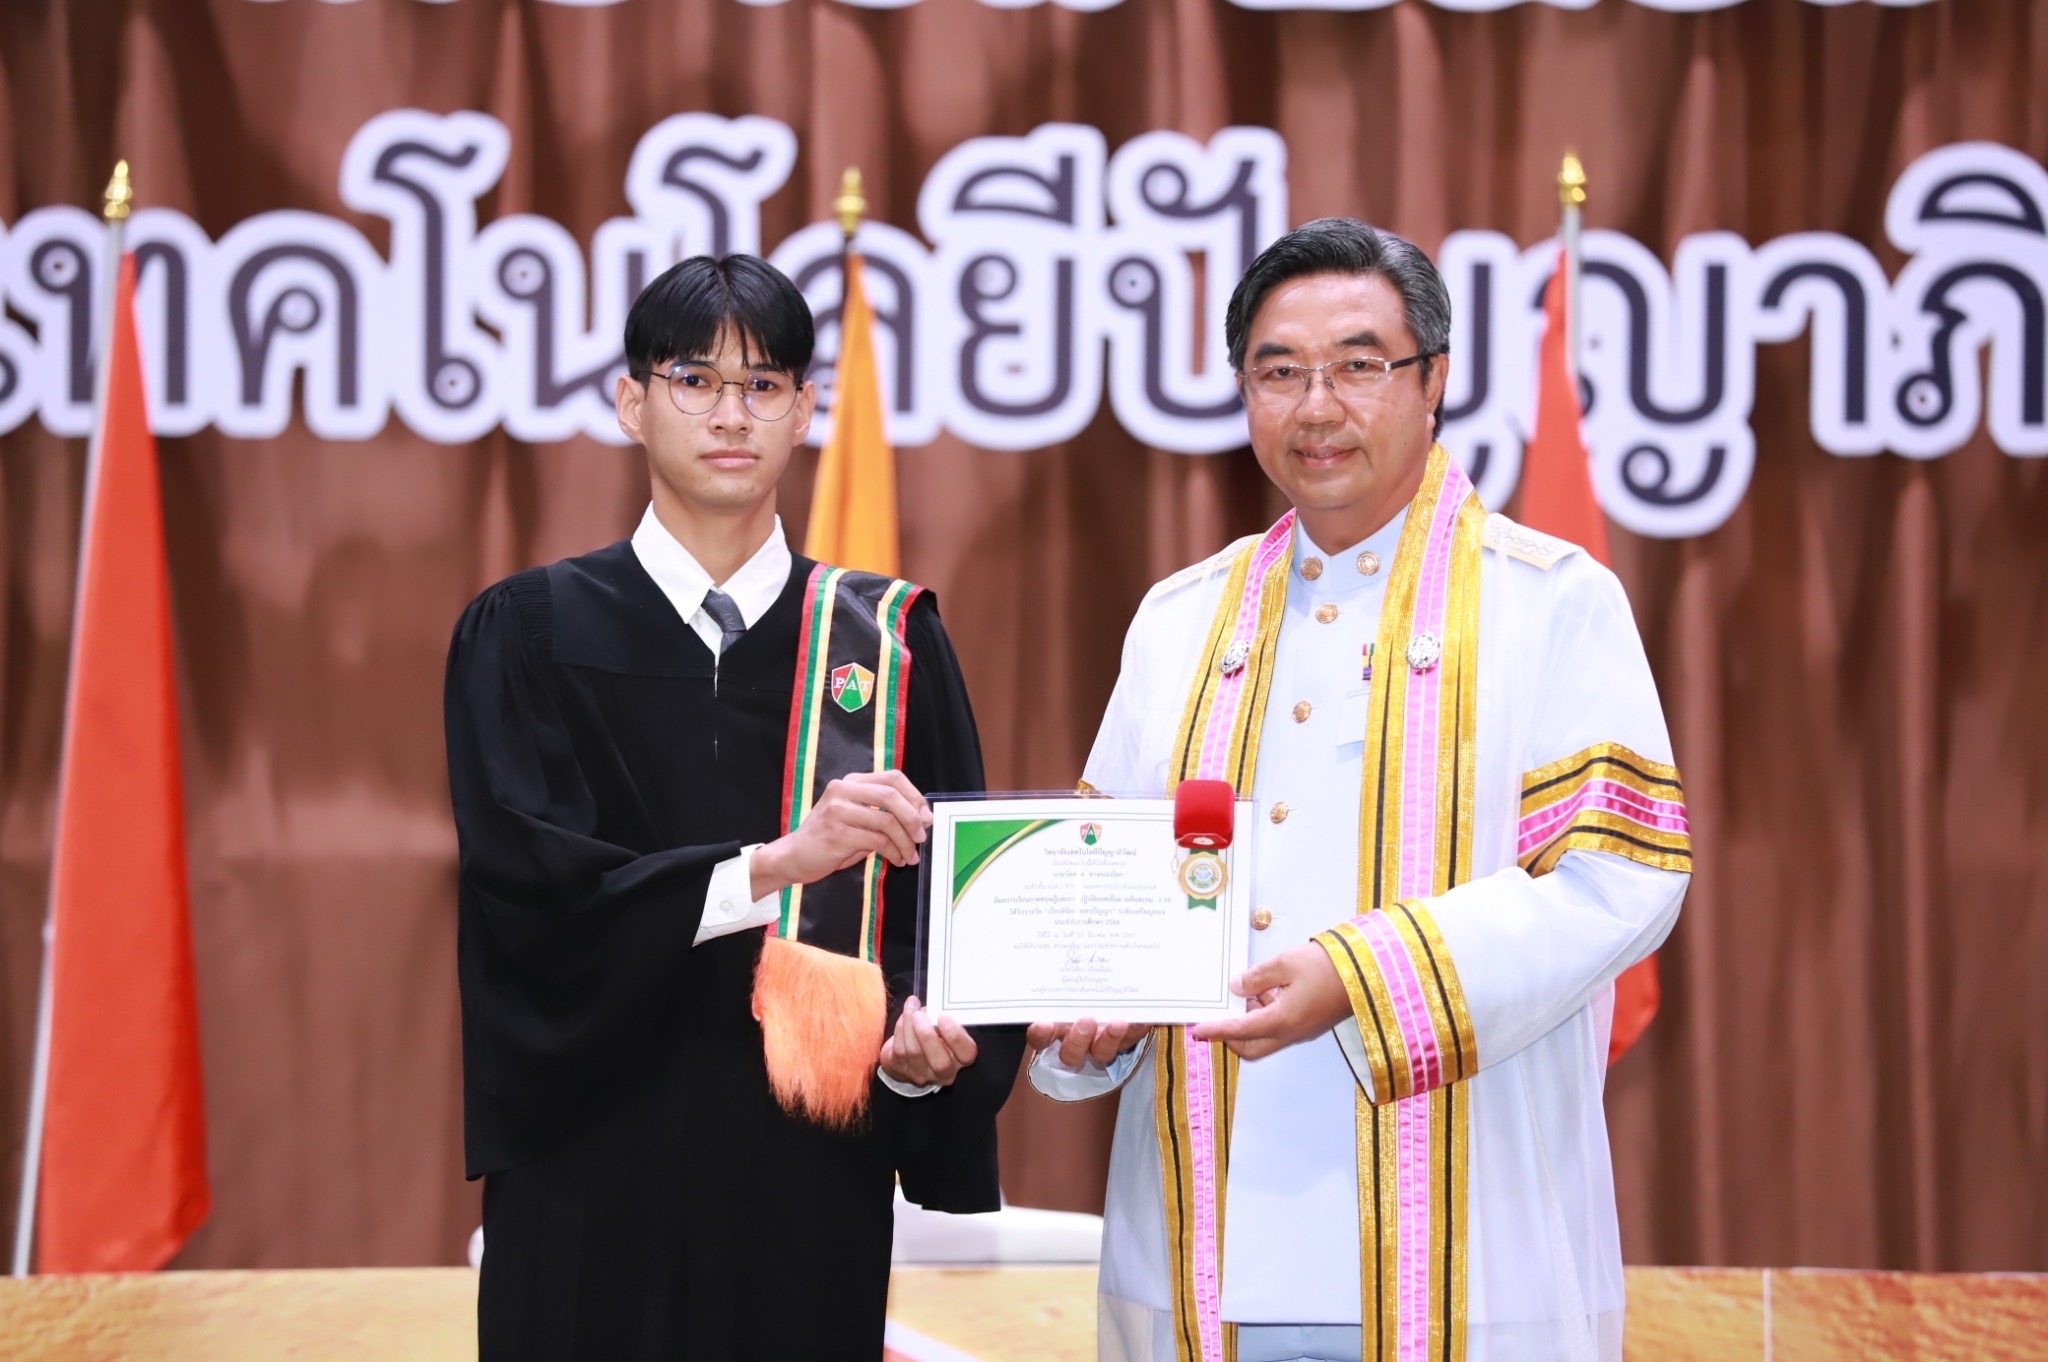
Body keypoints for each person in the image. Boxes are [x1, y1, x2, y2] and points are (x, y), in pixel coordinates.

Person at [1028, 219, 1691, 1362]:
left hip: (1467, 1251)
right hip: (1202, 1257)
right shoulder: (1180, 617)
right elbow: (1111, 891)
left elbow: (1619, 880)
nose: (1316, 406)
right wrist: (1086, 1021)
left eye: (1357, 365)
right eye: (1278, 371)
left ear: (1432, 381)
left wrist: (1361, 975)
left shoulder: (1548, 600)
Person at [444, 254, 1023, 1361]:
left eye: (763, 385)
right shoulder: (526, 631)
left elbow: (958, 916)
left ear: (804, 412)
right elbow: (527, 892)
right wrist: (773, 865)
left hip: (806, 1190)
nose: (730, 414)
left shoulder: (888, 644)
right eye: (694, 380)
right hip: (588, 1179)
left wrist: (925, 1055)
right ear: (632, 402)